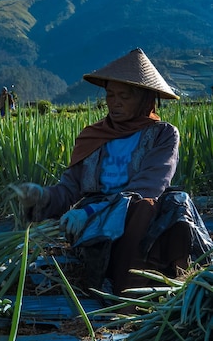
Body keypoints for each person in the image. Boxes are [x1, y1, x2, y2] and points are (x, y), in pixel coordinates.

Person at [15, 48, 212, 307]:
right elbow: (69, 189)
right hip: (97, 220)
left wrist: (90, 211)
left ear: (144, 99)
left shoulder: (162, 134)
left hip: (139, 212)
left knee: (165, 203)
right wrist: (41, 197)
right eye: (110, 95)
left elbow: (148, 186)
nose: (114, 102)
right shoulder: (94, 136)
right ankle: (121, 290)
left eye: (124, 96)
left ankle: (143, 287)